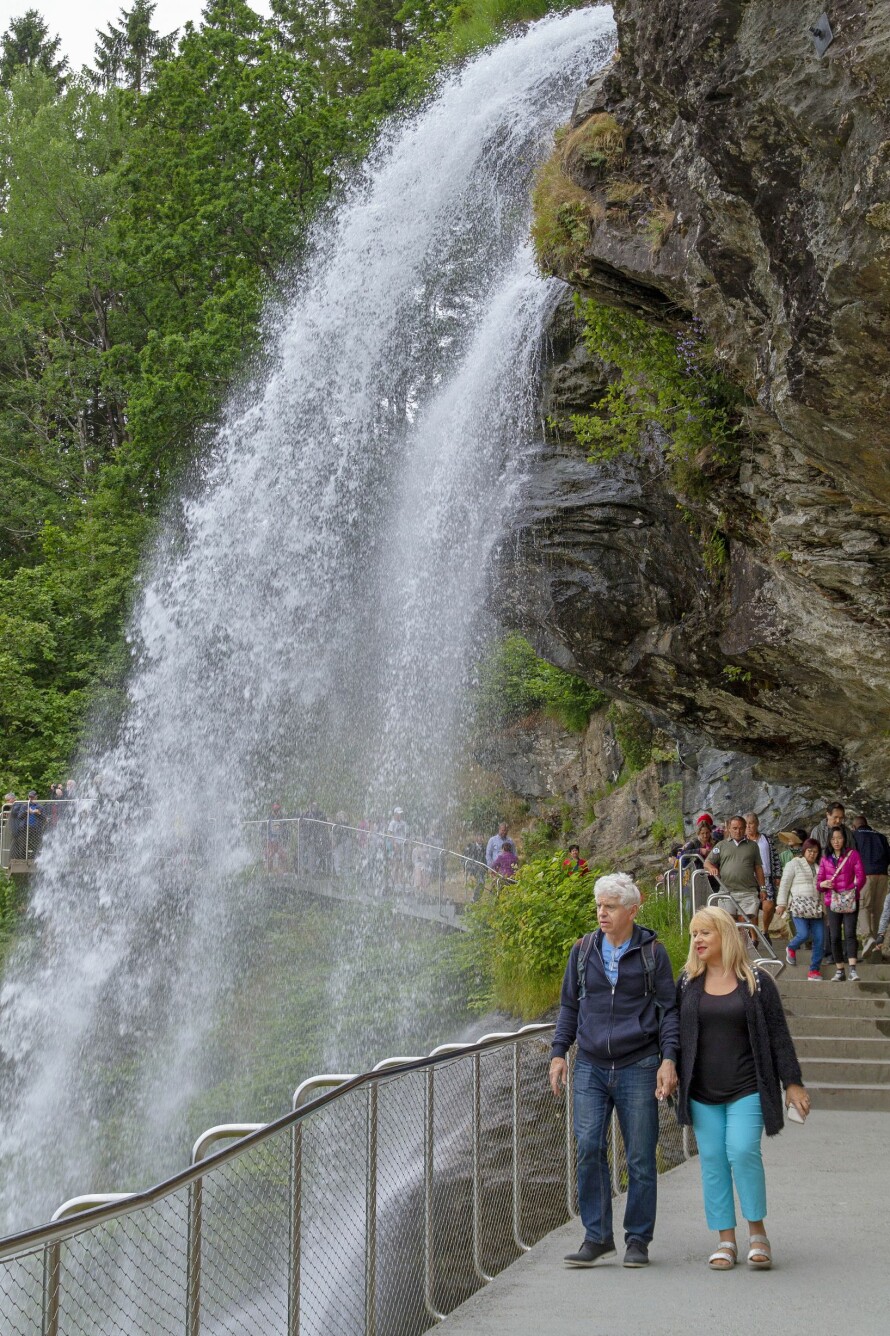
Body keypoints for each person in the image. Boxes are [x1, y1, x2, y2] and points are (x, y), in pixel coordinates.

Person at [549, 872, 679, 1270]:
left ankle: (637, 1239)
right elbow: (570, 1005)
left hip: (639, 1064)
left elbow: (669, 1010)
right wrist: (558, 1053)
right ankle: (597, 1236)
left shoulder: (653, 953)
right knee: (589, 1148)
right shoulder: (584, 949)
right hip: (588, 1064)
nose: (601, 913)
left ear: (632, 910)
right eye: (599, 906)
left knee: (640, 1156)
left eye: (610, 906)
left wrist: (669, 1059)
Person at [676, 906, 808, 1271]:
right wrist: (668, 1065)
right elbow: (673, 1032)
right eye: (694, 934)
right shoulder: (687, 981)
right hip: (702, 1091)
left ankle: (757, 1233)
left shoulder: (758, 982)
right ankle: (725, 1240)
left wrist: (792, 1083)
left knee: (743, 1151)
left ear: (724, 935)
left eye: (704, 933)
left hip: (747, 1086)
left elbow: (779, 1036)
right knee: (714, 1162)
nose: (697, 940)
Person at [817, 826, 866, 982]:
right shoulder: (825, 859)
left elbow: (861, 876)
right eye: (833, 839)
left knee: (850, 933)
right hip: (832, 901)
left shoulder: (852, 855)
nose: (836, 841)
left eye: (839, 838)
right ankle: (840, 970)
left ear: (844, 839)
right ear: (829, 841)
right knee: (835, 935)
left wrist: (852, 890)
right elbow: (819, 883)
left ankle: (852, 969)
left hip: (850, 899)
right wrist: (824, 884)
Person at [775, 838, 825, 979]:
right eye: (810, 850)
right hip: (799, 905)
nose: (812, 854)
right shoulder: (794, 863)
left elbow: (822, 890)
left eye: (815, 852)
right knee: (803, 934)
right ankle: (791, 947)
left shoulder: (819, 868)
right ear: (804, 850)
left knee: (820, 939)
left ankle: (814, 970)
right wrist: (781, 904)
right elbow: (785, 884)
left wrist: (825, 910)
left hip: (816, 907)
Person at [703, 816, 765, 924]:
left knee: (744, 922)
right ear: (729, 828)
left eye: (741, 828)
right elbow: (707, 862)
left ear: (745, 828)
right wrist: (712, 868)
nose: (738, 831)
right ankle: (733, 941)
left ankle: (744, 941)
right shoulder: (721, 845)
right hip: (727, 891)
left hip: (748, 892)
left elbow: (758, 868)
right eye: (735, 828)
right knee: (729, 922)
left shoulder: (753, 846)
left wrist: (763, 888)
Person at [850, 814, 890, 953]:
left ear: (854, 826)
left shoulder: (854, 836)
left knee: (863, 906)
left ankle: (867, 938)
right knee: (877, 909)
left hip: (866, 875)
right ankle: (876, 945)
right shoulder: (881, 837)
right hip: (883, 875)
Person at [744, 813, 780, 934]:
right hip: (749, 879)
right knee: (751, 909)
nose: (748, 826)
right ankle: (754, 937)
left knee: (768, 906)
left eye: (751, 823)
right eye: (746, 824)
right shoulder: (743, 842)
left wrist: (777, 875)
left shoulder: (767, 839)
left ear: (757, 824)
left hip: (766, 878)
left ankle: (765, 931)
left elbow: (775, 857)